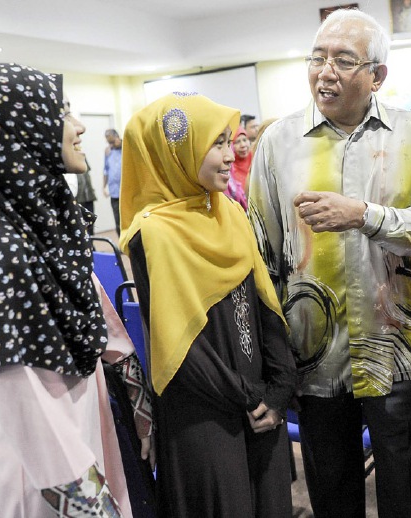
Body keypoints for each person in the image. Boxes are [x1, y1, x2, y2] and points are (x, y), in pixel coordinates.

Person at [249, 9, 411, 518]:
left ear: (377, 75)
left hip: (395, 349)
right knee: (331, 488)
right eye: (317, 58)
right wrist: (273, 363)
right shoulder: (277, 143)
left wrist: (365, 216)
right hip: (314, 357)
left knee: (403, 489)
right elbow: (262, 255)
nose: (326, 71)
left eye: (343, 60)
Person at [0, 63, 152, 517]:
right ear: (15, 132)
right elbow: (27, 408)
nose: (80, 125)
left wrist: (140, 407)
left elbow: (97, 319)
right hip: (43, 478)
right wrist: (95, 508)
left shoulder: (34, 228)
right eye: (62, 112)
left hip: (79, 429)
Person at [119, 92, 296, 517]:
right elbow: (179, 344)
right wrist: (249, 396)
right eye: (214, 144)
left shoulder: (229, 213)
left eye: (227, 141)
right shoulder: (154, 234)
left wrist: (278, 392)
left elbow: (263, 307)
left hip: (258, 402)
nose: (227, 156)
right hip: (205, 413)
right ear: (177, 154)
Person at [226, 126, 252, 209]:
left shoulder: (256, 160)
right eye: (237, 142)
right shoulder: (229, 172)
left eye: (245, 140)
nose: (243, 145)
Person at [104, 128, 123, 235]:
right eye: (108, 142)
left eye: (111, 141)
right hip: (114, 192)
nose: (110, 144)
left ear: (117, 137)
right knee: (118, 220)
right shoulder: (108, 152)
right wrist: (104, 187)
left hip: (126, 191)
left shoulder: (126, 147)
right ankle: (122, 246)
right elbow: (105, 170)